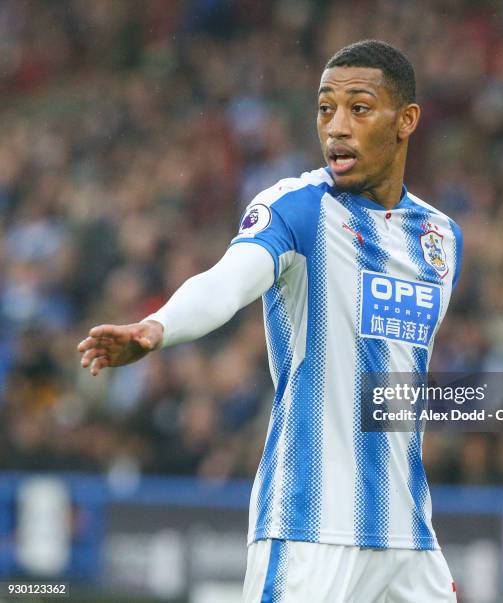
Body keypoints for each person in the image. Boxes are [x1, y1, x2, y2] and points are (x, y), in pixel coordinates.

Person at [78, 40, 462, 603]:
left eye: (358, 108)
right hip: (310, 525)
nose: (336, 126)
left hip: (408, 534)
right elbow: (227, 281)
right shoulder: (297, 208)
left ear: (405, 121)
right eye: (325, 108)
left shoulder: (439, 238)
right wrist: (158, 327)